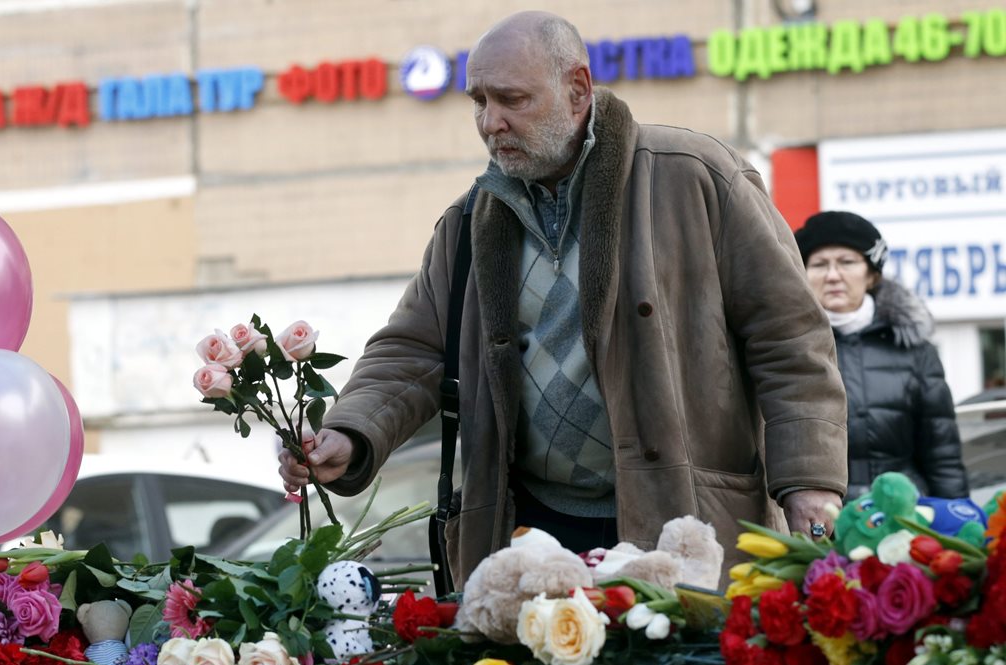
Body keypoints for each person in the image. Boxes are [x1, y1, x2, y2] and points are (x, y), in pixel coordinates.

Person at [279, 11, 848, 587]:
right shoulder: (467, 223)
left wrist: (810, 481)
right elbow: (411, 350)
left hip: (686, 524)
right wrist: (348, 432)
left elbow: (790, 338)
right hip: (533, 537)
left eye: (511, 99)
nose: (490, 122)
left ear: (578, 90)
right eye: (478, 100)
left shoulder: (696, 178)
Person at [795, 210, 969, 501]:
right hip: (818, 525)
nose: (833, 275)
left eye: (847, 262)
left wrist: (959, 523)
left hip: (903, 520)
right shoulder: (788, 347)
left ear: (872, 275)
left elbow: (942, 454)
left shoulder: (914, 350)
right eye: (820, 264)